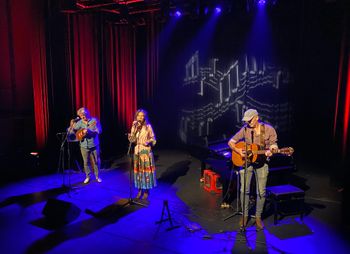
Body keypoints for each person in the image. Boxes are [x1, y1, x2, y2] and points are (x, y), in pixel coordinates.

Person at [228, 109, 278, 231]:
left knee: (261, 192)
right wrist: (238, 150)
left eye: (249, 120)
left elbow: (274, 145)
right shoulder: (245, 129)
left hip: (262, 163)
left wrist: (272, 150)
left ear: (256, 118)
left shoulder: (268, 129)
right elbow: (231, 142)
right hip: (247, 163)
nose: (247, 122)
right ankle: (245, 216)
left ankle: (258, 217)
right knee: (243, 190)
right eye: (246, 120)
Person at [68, 107, 102, 184]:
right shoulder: (79, 122)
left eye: (84, 115)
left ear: (87, 114)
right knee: (86, 162)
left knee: (96, 161)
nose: (83, 117)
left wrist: (91, 131)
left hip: (94, 144)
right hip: (83, 145)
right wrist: (73, 127)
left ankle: (97, 176)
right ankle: (88, 176)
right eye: (81, 116)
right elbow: (74, 129)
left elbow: (99, 130)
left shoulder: (94, 121)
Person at [128, 109, 157, 200]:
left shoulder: (148, 126)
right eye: (139, 115)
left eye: (142, 115)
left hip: (146, 152)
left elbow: (154, 139)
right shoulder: (135, 126)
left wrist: (148, 142)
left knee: (146, 172)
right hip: (137, 151)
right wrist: (130, 137)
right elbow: (133, 140)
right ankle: (140, 190)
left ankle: (147, 191)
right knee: (138, 172)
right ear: (136, 117)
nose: (140, 117)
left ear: (145, 117)